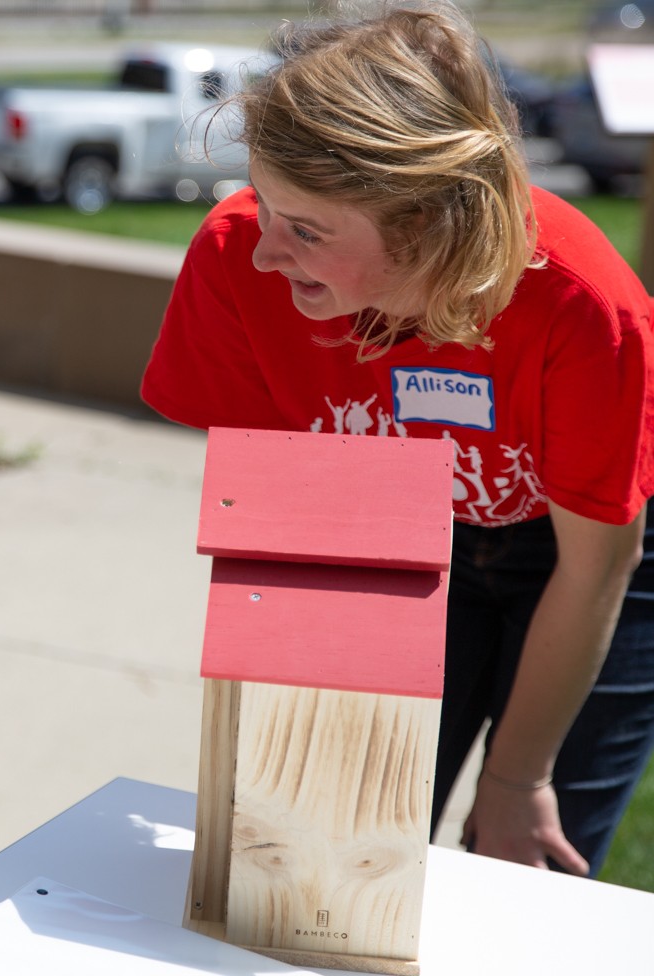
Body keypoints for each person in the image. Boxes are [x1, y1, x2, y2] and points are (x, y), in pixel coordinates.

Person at [141, 0, 654, 877]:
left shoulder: (582, 306)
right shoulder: (236, 262)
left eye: (305, 230)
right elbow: (285, 535)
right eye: (264, 204)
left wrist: (517, 776)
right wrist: (292, 757)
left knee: (523, 874)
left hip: (580, 563)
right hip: (384, 541)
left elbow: (597, 565)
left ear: (428, 225)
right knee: (333, 852)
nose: (265, 252)